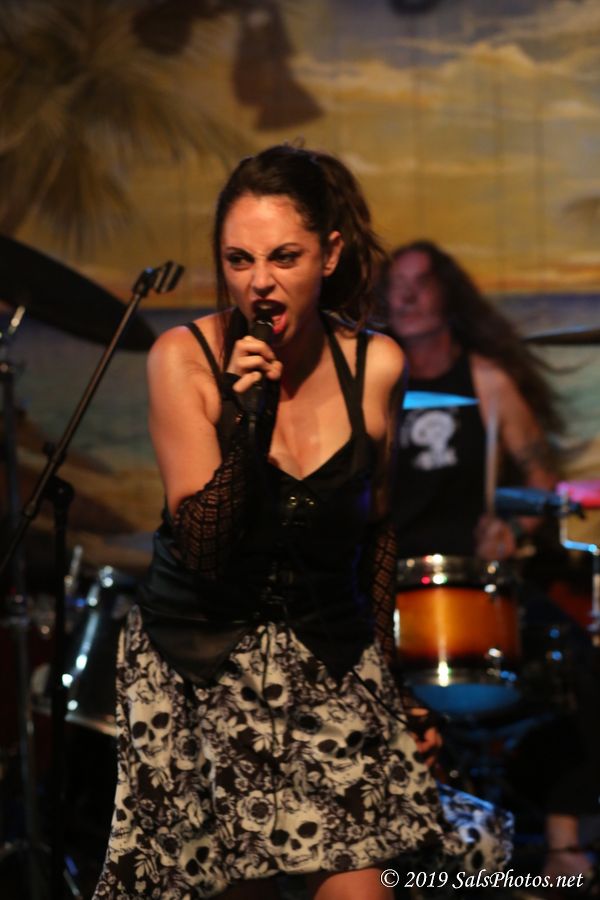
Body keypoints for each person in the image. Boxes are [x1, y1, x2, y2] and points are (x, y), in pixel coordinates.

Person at [93, 148, 511, 900]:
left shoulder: (376, 364)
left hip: (327, 659)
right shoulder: (182, 359)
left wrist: (392, 690)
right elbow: (206, 547)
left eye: (284, 257)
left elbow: (375, 534)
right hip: (200, 664)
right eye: (239, 259)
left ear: (329, 254)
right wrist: (249, 420)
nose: (260, 281)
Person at [382, 239, 561, 563]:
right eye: (397, 284)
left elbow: (542, 478)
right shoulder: (376, 383)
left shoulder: (487, 380)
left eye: (422, 283)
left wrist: (512, 531)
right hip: (391, 572)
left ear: (448, 294)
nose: (407, 298)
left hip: (472, 569)